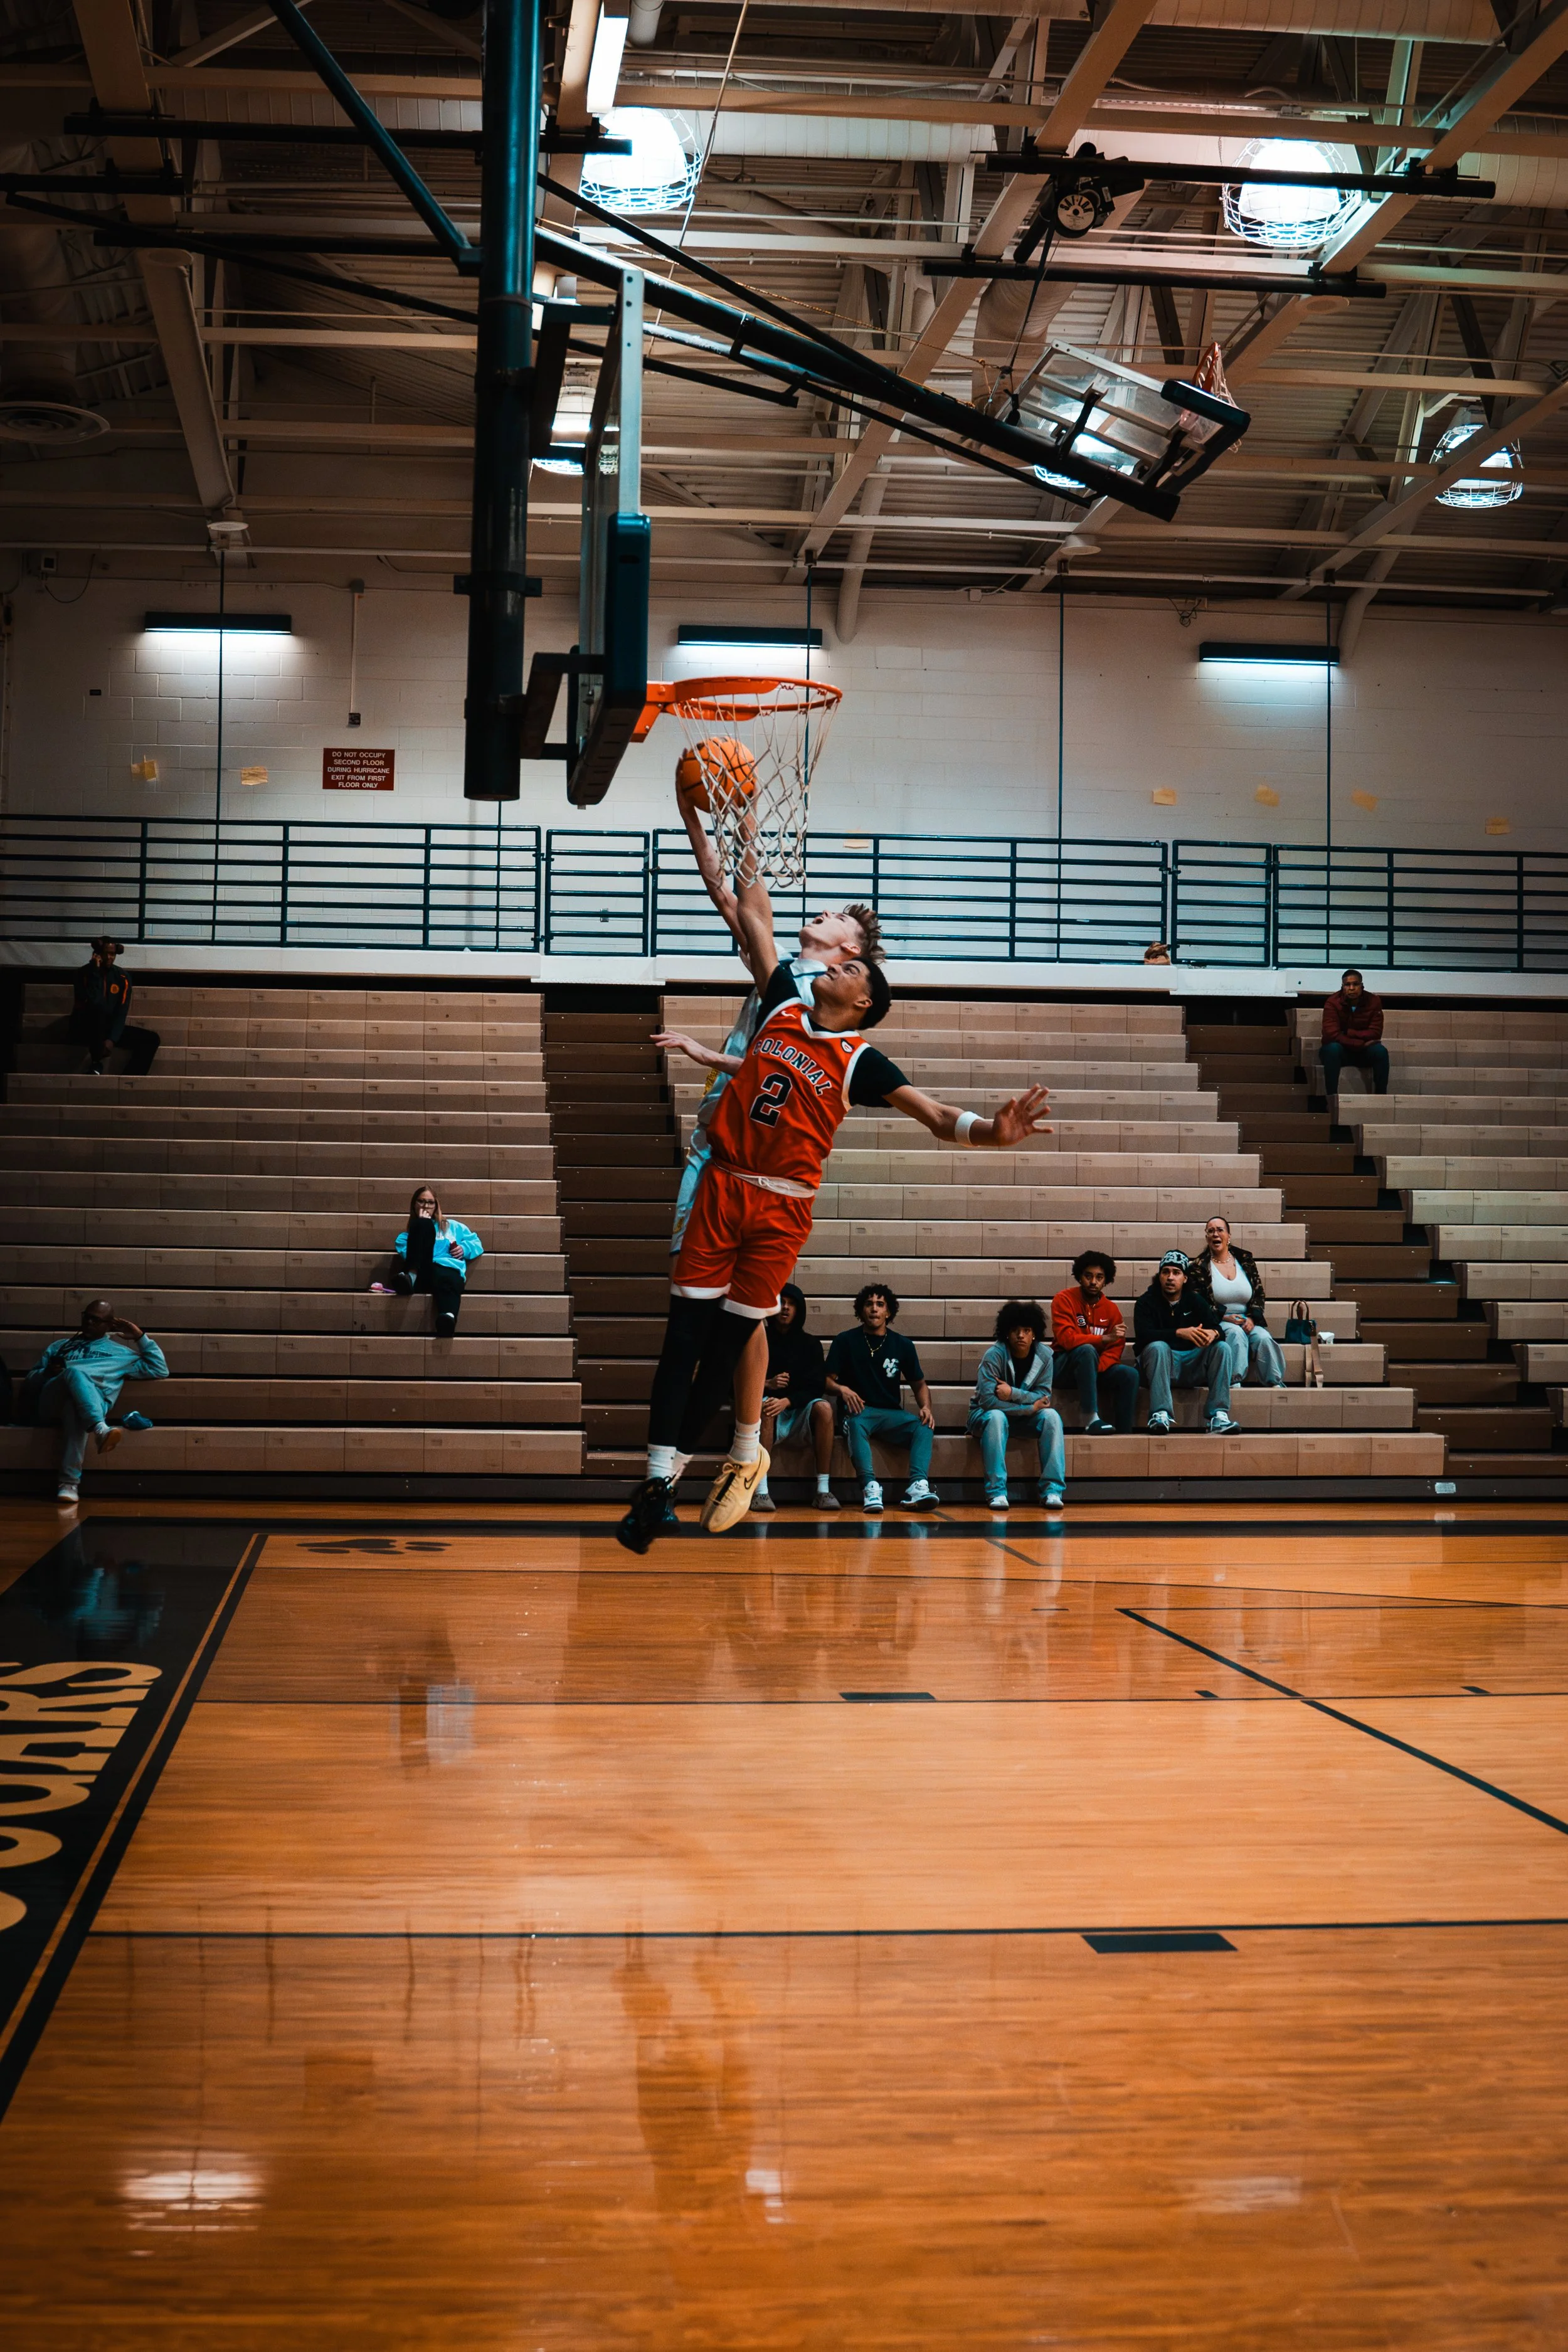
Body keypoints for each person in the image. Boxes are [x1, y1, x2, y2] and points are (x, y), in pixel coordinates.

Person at [617, 950, 1050, 1552]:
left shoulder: (859, 1061)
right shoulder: (782, 1005)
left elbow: (935, 1114)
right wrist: (727, 857)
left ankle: (692, 1472)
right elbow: (751, 920)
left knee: (723, 1350)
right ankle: (657, 1482)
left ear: (864, 1001)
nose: (837, 967)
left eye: (852, 970)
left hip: (782, 1208)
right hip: (723, 1185)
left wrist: (992, 1133)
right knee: (682, 1341)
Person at [21, 1300, 168, 1508]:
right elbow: (29, 1384)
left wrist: (140, 1337)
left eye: (97, 1320)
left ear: (110, 1326)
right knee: (74, 1373)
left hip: (82, 1410)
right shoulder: (59, 1347)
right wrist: (47, 1373)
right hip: (51, 1402)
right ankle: (100, 1429)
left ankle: (69, 1484)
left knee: (74, 1408)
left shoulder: (122, 1354)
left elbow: (160, 1369)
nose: (89, 1322)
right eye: (87, 1317)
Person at [825, 1283, 939, 1516]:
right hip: (859, 1412)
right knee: (855, 1423)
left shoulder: (903, 1345)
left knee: (924, 1426)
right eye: (869, 1304)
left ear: (889, 1312)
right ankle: (870, 1487)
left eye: (880, 1304)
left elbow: (919, 1384)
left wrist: (926, 1407)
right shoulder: (845, 1341)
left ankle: (918, 1487)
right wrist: (842, 1389)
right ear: (861, 1310)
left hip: (890, 1413)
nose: (874, 1309)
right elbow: (825, 1381)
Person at [968, 1300, 1066, 1513]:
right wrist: (1029, 1408)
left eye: (1026, 1330)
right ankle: (996, 1492)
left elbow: (1044, 1398)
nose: (1020, 1335)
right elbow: (988, 1401)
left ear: (1034, 1334)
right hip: (983, 1417)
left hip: (1021, 1418)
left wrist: (1013, 1393)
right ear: (1006, 1333)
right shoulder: (993, 1355)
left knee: (1052, 1417)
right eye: (1015, 1330)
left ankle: (1052, 1490)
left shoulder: (1046, 1356)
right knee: (996, 1417)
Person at [1133, 1249, 1239, 1435]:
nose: (1170, 1278)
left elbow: (1218, 1330)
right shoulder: (1146, 1302)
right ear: (1159, 1277)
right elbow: (1143, 1337)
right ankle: (1160, 1414)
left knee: (1222, 1347)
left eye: (1176, 1273)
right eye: (1166, 1272)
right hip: (1159, 1365)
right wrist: (1178, 1333)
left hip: (1191, 1365)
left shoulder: (1195, 1301)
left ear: (1185, 1278)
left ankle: (1219, 1415)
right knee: (1158, 1347)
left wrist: (1213, 1333)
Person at [753, 1283, 837, 1513]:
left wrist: (788, 1401)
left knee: (825, 1409)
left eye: (791, 1304)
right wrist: (768, 1385)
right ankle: (761, 1492)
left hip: (799, 1411)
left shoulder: (810, 1344)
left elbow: (815, 1386)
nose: (786, 1308)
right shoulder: (758, 1338)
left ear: (799, 1309)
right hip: (768, 1410)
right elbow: (739, 1382)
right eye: (781, 1302)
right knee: (768, 1406)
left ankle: (823, 1490)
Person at [1050, 1251, 1139, 1433]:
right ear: (1079, 1277)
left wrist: (1093, 1369)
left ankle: (1125, 1433)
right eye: (1088, 1276)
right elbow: (1067, 1340)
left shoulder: (1112, 1310)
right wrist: (1103, 1339)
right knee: (1086, 1350)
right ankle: (1091, 1419)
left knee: (1130, 1375)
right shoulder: (1064, 1299)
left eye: (1099, 1277)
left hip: (1093, 1369)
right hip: (1063, 1366)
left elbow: (1115, 1349)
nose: (1093, 1282)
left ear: (1106, 1280)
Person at [1194, 1214, 1286, 1389]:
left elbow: (1259, 1294)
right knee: (1235, 1334)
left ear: (1229, 1236)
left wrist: (1252, 1318)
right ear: (1206, 1237)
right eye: (1211, 1231)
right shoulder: (1199, 1266)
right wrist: (1224, 1318)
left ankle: (1274, 1382)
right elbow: (1199, 1302)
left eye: (1220, 1230)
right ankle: (1234, 1381)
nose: (1215, 1234)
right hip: (1219, 1321)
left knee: (1264, 1338)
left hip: (1247, 1318)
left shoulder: (1245, 1260)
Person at [391, 1187, 483, 1335]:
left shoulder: (453, 1226)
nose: (426, 1206)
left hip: (447, 1274)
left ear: (436, 1205)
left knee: (447, 1275)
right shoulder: (404, 1238)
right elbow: (410, 1254)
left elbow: (477, 1243)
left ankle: (448, 1318)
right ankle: (411, 1278)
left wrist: (464, 1249)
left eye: (430, 1202)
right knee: (423, 1225)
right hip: (423, 1275)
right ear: (414, 1205)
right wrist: (422, 1225)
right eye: (421, 1201)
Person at [70, 938, 159, 1076]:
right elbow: (94, 1001)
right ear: (97, 954)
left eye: (113, 954)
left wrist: (112, 1039)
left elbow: (121, 1011)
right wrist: (95, 972)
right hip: (85, 1027)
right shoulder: (83, 974)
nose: (110, 957)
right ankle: (96, 1065)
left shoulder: (123, 977)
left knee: (151, 1039)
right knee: (98, 1011)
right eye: (106, 953)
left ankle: (129, 1080)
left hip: (108, 1029)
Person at [1318, 968, 1388, 1101]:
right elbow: (1332, 1034)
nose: (1351, 988)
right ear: (1342, 987)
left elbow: (1375, 1032)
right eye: (1347, 985)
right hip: (1341, 1051)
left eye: (1355, 984)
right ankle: (1331, 1099)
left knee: (1381, 1052)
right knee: (1332, 1049)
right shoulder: (1332, 1002)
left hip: (1362, 1052)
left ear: (1362, 987)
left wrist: (1348, 1033)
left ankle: (1381, 1099)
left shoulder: (1374, 1001)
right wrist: (1360, 1044)